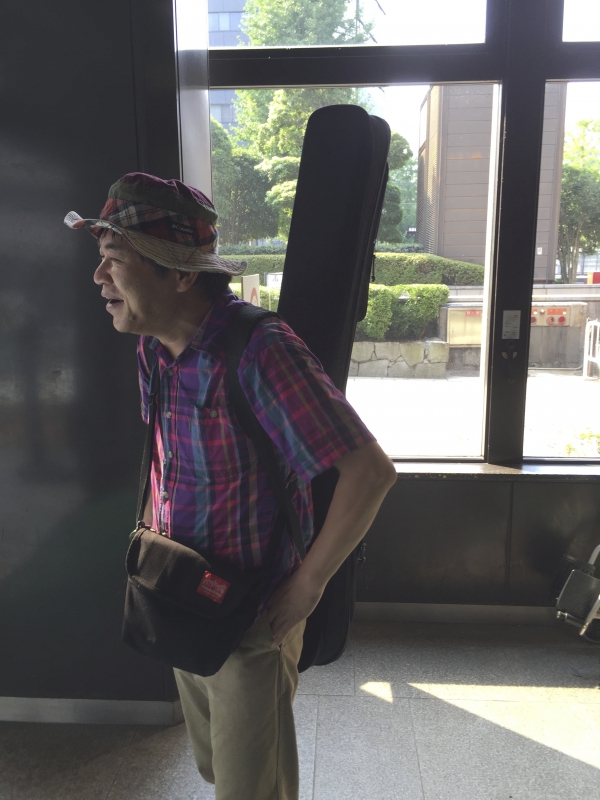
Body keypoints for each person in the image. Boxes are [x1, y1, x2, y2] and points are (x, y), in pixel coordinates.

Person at [65, 172, 396, 800]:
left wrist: (308, 585)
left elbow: (370, 472)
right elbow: (169, 459)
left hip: (252, 613)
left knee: (252, 789)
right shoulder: (153, 348)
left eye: (115, 259)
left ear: (179, 275)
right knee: (218, 766)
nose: (99, 277)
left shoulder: (259, 349)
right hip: (182, 594)